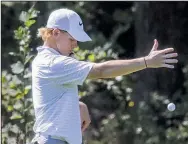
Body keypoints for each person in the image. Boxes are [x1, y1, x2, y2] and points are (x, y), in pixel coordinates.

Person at [31, 8, 178, 144]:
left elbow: (53, 95)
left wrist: (78, 105)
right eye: (72, 39)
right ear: (56, 33)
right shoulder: (52, 62)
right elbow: (101, 71)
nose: (75, 45)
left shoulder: (49, 61)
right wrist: (146, 62)